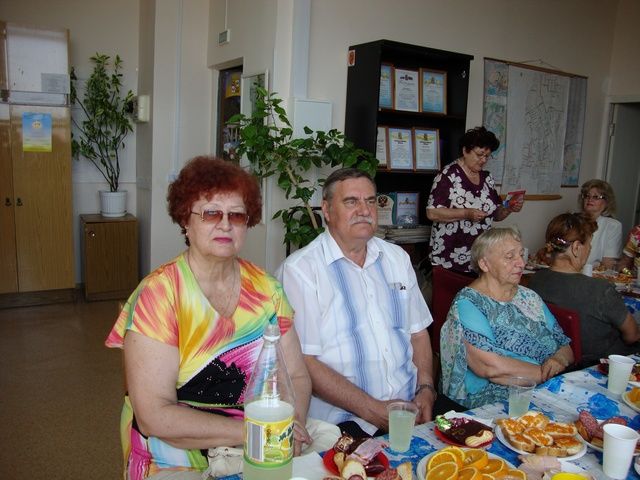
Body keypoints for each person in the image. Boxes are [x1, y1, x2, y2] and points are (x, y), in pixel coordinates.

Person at [105, 156, 312, 480]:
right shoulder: (159, 295)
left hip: (262, 442)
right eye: (211, 213)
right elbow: (154, 416)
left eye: (237, 215)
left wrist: (291, 424)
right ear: (185, 220)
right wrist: (255, 432)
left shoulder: (268, 290)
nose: (225, 224)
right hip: (174, 455)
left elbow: (297, 376)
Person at [276, 168, 437, 438]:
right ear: (327, 210)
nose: (364, 210)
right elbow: (304, 362)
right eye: (351, 201)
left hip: (412, 410)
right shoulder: (301, 271)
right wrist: (373, 410)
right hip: (343, 423)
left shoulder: (397, 258)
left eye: (370, 201)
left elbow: (418, 333)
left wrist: (426, 388)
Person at [440, 226, 573, 409]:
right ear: (484, 264)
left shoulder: (528, 297)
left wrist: (559, 361)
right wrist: (548, 375)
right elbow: (490, 367)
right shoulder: (468, 304)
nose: (521, 263)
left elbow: (565, 346)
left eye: (521, 254)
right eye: (510, 257)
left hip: (546, 386)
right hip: (494, 398)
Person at [528, 213, 639, 367]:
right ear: (576, 248)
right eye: (589, 244)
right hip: (599, 364)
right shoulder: (601, 290)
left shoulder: (536, 280)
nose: (590, 249)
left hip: (556, 358)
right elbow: (632, 336)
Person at [427, 126, 524, 273]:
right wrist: (466, 213)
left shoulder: (487, 178)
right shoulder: (448, 175)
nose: (483, 160)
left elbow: (496, 215)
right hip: (449, 258)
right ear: (465, 151)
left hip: (480, 258)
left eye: (487, 156)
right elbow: (432, 212)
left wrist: (509, 208)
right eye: (479, 155)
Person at [579, 179, 621, 269]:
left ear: (607, 202)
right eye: (587, 196)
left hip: (594, 274)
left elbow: (608, 264)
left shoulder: (613, 225)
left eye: (596, 197)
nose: (590, 199)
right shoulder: (574, 220)